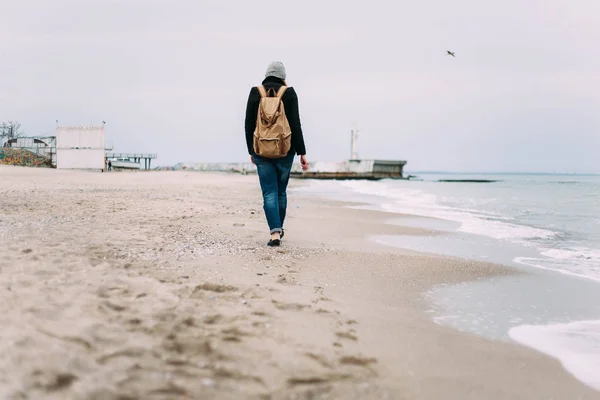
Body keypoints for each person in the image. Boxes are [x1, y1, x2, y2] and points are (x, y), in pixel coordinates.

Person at [245, 61, 309, 246]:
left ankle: (274, 232)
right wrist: (302, 153)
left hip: (261, 150)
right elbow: (295, 124)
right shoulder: (288, 93)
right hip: (285, 150)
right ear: (283, 76)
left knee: (269, 192)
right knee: (281, 192)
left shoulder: (255, 92)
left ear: (267, 74)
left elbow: (249, 124)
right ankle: (278, 228)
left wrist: (252, 149)